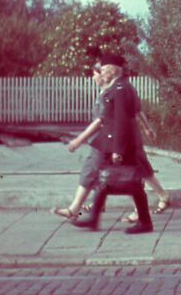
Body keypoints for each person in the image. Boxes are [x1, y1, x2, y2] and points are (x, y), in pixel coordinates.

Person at [72, 54, 154, 234]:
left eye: (103, 70)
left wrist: (118, 149)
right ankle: (94, 219)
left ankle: (145, 222)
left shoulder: (120, 88)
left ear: (112, 70)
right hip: (115, 143)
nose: (102, 74)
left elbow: (122, 121)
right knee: (104, 180)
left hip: (121, 145)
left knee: (133, 183)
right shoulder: (120, 87)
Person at [51, 62, 110, 221]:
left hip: (103, 144)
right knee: (95, 175)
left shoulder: (106, 96)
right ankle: (79, 208)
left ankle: (75, 210)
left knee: (94, 174)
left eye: (94, 74)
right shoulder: (104, 93)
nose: (92, 77)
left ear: (103, 75)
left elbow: (99, 121)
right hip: (99, 144)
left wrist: (78, 140)